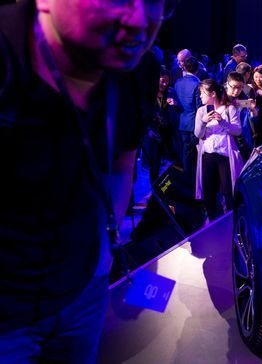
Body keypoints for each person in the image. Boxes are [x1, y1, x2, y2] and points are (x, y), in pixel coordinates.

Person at [0, 0, 166, 361]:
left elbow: (121, 165)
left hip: (82, 293)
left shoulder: (139, 69)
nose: (140, 20)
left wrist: (101, 261)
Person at [194, 79, 244, 221]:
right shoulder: (201, 111)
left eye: (203, 93)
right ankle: (211, 220)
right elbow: (198, 134)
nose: (201, 96)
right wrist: (203, 122)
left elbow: (238, 131)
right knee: (208, 190)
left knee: (228, 190)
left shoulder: (229, 109)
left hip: (225, 156)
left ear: (213, 94)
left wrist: (222, 121)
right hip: (207, 155)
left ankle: (230, 219)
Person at [175, 56, 203, 178]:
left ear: (184, 68)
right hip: (194, 124)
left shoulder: (177, 82)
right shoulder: (197, 84)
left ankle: (186, 178)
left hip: (181, 122)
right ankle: (196, 180)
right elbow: (199, 107)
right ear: (197, 69)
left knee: (185, 152)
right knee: (196, 153)